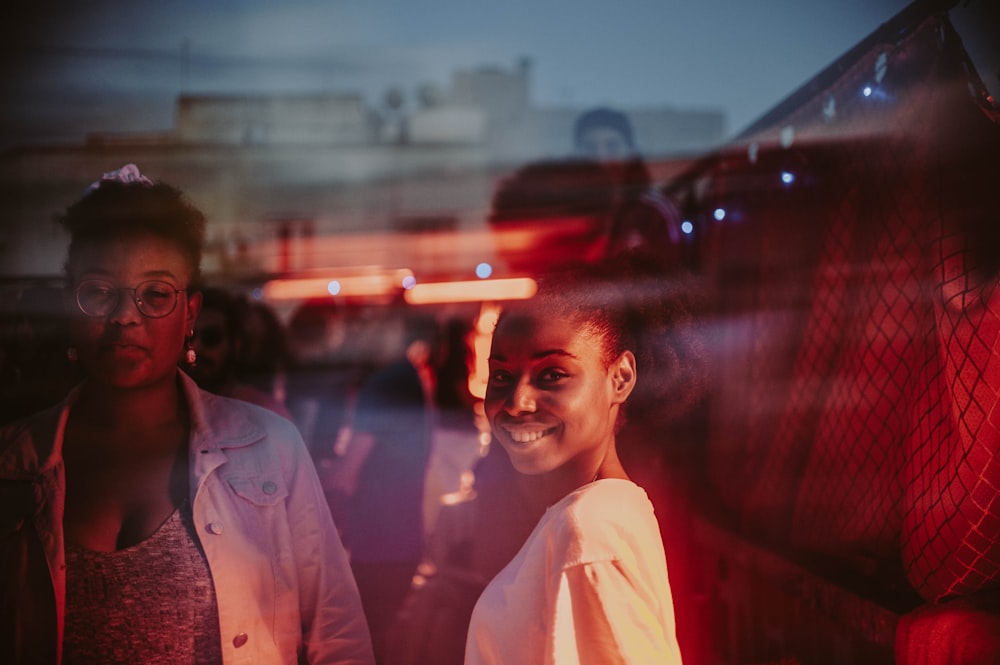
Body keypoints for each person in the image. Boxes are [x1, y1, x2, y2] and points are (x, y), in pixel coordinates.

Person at [0, 164, 375, 664]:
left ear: (190, 313)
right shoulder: (13, 463)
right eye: (98, 292)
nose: (124, 315)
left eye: (155, 293)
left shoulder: (267, 447)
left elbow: (337, 634)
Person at [464, 264, 691, 665]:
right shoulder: (597, 513)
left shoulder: (589, 528)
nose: (517, 402)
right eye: (500, 375)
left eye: (552, 374)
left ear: (620, 378)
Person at [329, 312, 440, 664]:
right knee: (382, 643)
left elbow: (348, 474)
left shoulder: (384, 382)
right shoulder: (409, 376)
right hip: (402, 540)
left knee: (362, 646)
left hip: (375, 543)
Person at [573, 107, 688, 267]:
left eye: (612, 147)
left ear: (630, 151)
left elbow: (672, 280)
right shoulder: (568, 212)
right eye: (591, 148)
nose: (602, 157)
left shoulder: (656, 211)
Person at [182, 286, 292, 418]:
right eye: (188, 338)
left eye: (211, 337)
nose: (196, 347)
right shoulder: (163, 412)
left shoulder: (265, 415)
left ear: (235, 345)